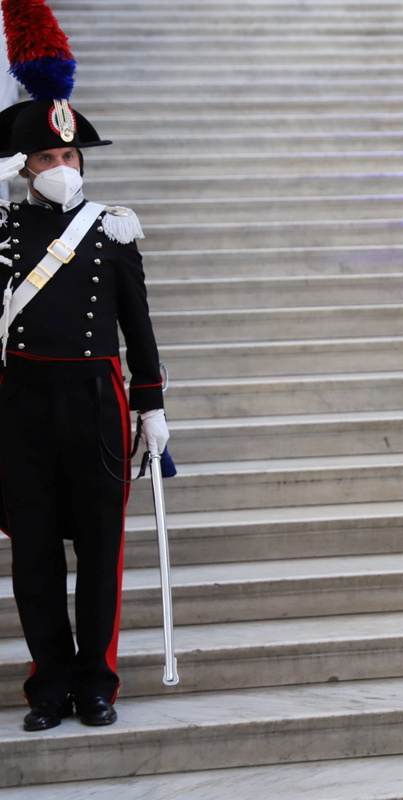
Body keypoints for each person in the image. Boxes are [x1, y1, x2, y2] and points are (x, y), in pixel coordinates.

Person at [0, 98, 168, 731]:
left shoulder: (111, 228)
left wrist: (151, 404)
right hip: (22, 402)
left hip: (96, 399)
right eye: (47, 157)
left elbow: (138, 325)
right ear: (24, 166)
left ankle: (97, 682)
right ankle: (48, 685)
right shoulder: (3, 230)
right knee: (34, 550)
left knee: (100, 549)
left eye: (69, 155)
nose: (62, 167)